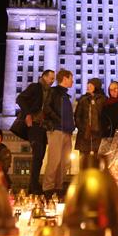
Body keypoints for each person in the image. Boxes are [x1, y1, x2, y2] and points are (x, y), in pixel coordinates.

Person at [16, 69, 55, 195]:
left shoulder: (50, 92)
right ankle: (33, 186)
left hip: (43, 127)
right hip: (34, 125)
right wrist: (27, 113)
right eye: (51, 78)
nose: (53, 80)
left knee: (41, 155)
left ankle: (34, 185)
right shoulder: (35, 87)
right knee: (37, 154)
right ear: (44, 77)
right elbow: (20, 99)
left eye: (54, 78)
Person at [42, 69, 75, 198]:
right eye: (71, 78)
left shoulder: (66, 96)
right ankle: (48, 189)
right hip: (56, 130)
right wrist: (58, 120)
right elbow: (47, 108)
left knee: (64, 162)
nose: (73, 81)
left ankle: (59, 187)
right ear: (65, 79)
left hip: (67, 132)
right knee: (54, 160)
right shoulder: (54, 91)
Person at [74, 77, 106, 156]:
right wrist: (81, 128)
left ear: (96, 86)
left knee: (98, 159)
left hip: (98, 135)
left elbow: (106, 116)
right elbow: (77, 116)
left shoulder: (103, 99)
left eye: (91, 85)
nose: (88, 87)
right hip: (85, 134)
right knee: (83, 158)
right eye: (88, 85)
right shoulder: (83, 99)